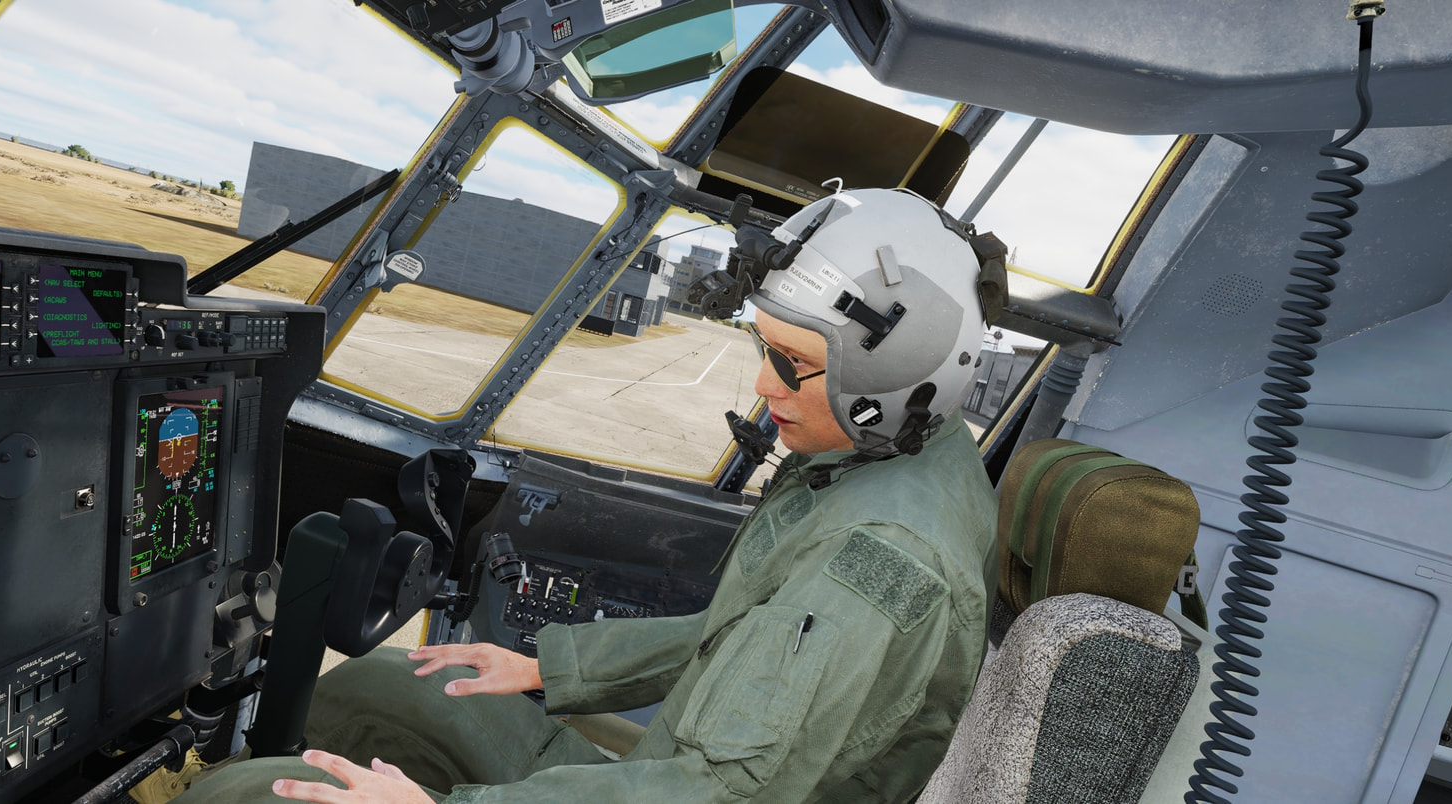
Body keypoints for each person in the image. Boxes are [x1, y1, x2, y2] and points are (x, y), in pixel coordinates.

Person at [178, 188, 999, 804]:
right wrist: (547, 665)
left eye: (795, 364)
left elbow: (719, 793)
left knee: (252, 799)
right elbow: (735, 641)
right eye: (766, 349)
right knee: (386, 686)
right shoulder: (895, 450)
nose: (764, 384)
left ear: (892, 384)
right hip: (675, 775)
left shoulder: (882, 559)